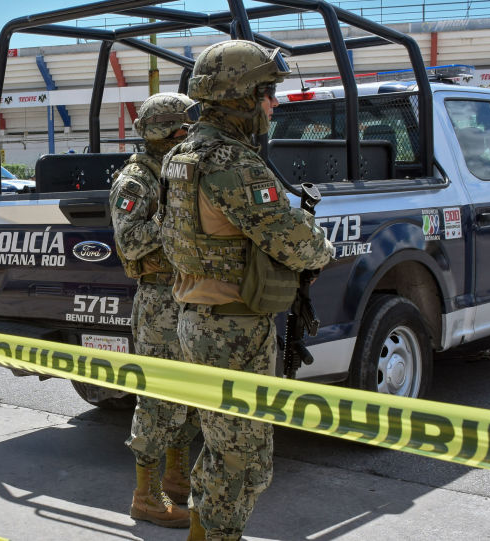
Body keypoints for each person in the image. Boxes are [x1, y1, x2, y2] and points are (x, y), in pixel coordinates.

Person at [160, 40, 332, 540]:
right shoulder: (230, 162)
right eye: (266, 94)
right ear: (237, 97)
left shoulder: (182, 155)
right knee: (241, 462)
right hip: (230, 329)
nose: (273, 105)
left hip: (201, 318)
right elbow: (297, 242)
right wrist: (320, 247)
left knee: (233, 454)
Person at [111, 92, 201, 529]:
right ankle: (145, 495)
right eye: (183, 129)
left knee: (188, 396)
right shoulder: (137, 179)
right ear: (163, 132)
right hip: (159, 304)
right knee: (159, 398)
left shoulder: (176, 171)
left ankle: (177, 478)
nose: (189, 136)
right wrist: (175, 217)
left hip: (188, 296)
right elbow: (128, 241)